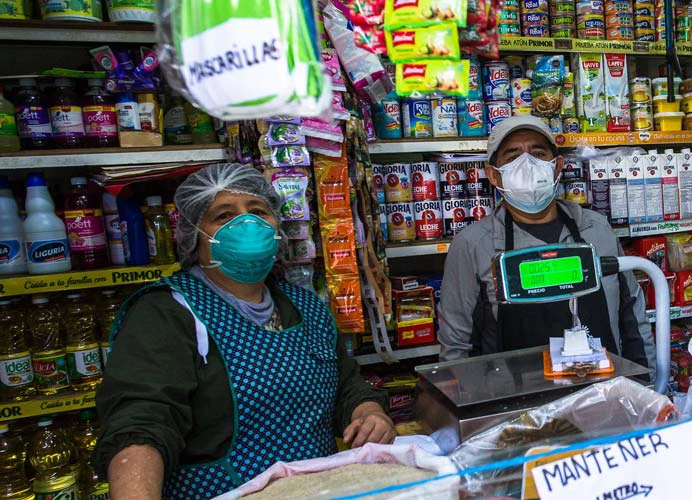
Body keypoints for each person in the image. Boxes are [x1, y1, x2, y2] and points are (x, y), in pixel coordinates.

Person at [94, 164, 395, 499]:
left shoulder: (305, 305)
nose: (247, 223)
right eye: (224, 216)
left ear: (276, 225)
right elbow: (141, 423)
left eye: (258, 211)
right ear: (196, 235)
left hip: (319, 490)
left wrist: (368, 411)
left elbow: (345, 384)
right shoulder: (167, 312)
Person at [437, 115, 655, 370]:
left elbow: (632, 317)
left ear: (557, 166)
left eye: (538, 153)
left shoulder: (597, 228)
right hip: (520, 403)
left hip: (605, 395)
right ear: (493, 175)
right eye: (512, 156)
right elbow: (457, 346)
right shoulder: (473, 245)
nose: (526, 163)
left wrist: (648, 384)